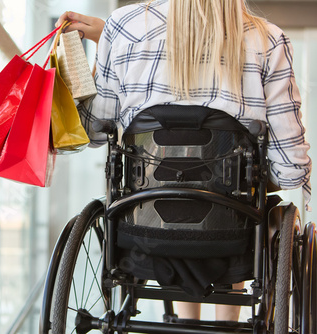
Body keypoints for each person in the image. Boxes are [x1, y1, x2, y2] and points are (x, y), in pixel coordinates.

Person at [56, 0, 312, 322]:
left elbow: (95, 131)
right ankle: (225, 323)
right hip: (231, 236)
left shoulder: (121, 26)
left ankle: (184, 319)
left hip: (145, 232)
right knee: (238, 191)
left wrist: (104, 47)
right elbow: (291, 171)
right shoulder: (268, 40)